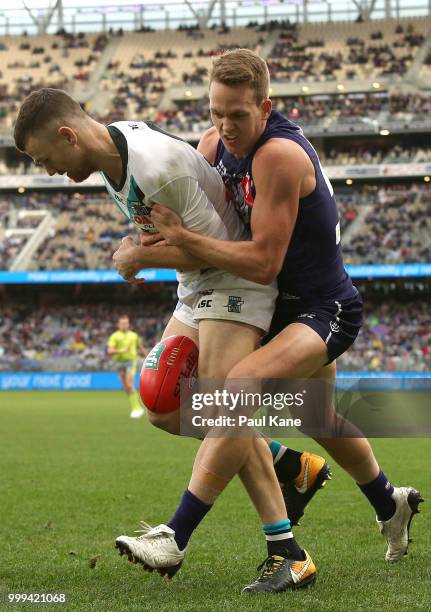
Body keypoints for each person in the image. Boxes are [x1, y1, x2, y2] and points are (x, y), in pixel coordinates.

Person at [14, 88, 328, 593]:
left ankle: (218, 540)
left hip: (234, 284)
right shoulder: (114, 151)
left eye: (44, 158)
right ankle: (286, 462)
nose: (47, 171)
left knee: (224, 412)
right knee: (162, 403)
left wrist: (136, 257)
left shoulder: (154, 167)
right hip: (195, 288)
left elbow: (217, 251)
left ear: (68, 135)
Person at [145, 48, 423, 588]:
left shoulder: (278, 155)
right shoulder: (212, 147)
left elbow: (264, 260)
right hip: (276, 308)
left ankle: (175, 536)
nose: (225, 127)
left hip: (324, 309)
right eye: (216, 112)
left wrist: (178, 240)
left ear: (266, 107)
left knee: (239, 386)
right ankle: (388, 501)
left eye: (239, 115)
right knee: (318, 418)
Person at [107, 314, 146, 418]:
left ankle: (137, 409)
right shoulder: (114, 336)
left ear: (128, 324)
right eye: (122, 323)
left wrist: (147, 357)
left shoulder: (134, 335)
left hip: (131, 360)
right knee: (126, 387)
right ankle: (137, 408)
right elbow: (109, 351)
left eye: (126, 323)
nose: (124, 325)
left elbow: (141, 347)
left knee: (129, 384)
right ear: (118, 324)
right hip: (119, 362)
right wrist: (121, 350)